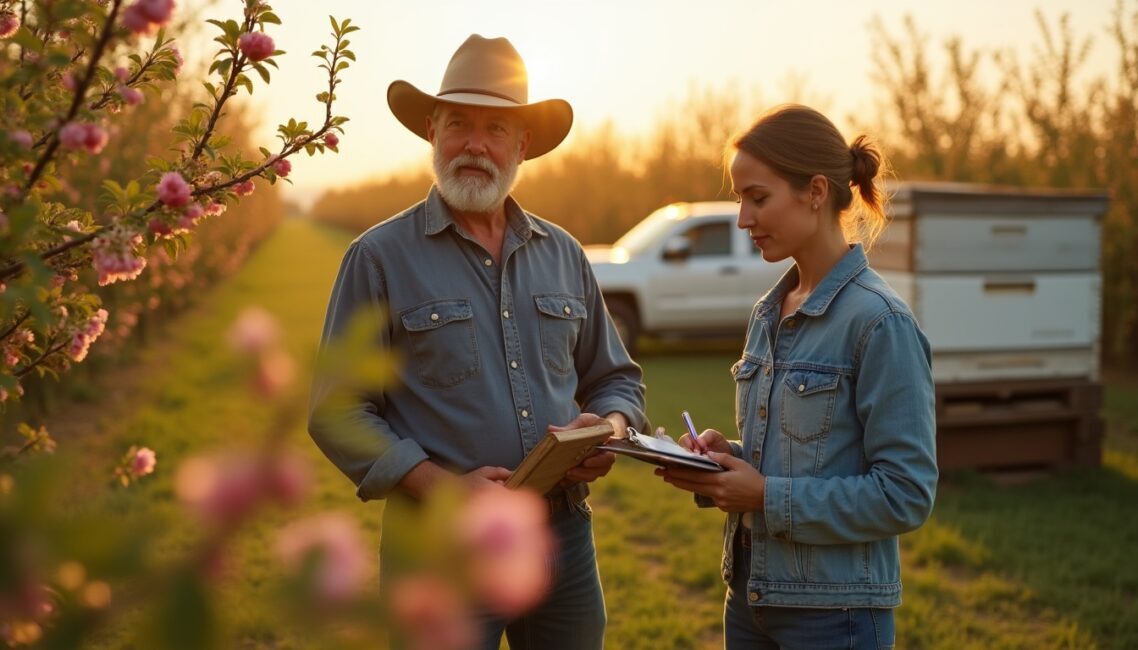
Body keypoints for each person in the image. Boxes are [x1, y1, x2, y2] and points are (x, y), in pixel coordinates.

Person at [307, 34, 647, 649]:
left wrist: (611, 431)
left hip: (561, 539)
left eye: (495, 129)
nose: (474, 144)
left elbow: (615, 377)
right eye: (458, 123)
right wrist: (440, 486)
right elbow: (336, 410)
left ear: (522, 146)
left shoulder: (565, 254)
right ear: (431, 132)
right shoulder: (379, 257)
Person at [657, 104, 937, 649]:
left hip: (837, 618)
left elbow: (906, 493)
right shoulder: (769, 311)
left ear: (814, 191)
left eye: (757, 198)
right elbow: (801, 455)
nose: (743, 220)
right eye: (740, 199)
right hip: (750, 601)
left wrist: (764, 496)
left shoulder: (880, 323)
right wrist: (726, 460)